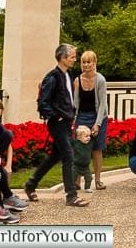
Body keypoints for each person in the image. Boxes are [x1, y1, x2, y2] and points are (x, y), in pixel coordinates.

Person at [24, 43, 89, 207]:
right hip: (58, 124)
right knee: (68, 155)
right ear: (63, 58)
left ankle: (31, 184)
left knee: (55, 156)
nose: (75, 60)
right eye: (72, 57)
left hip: (66, 122)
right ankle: (71, 196)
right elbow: (42, 103)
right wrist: (56, 117)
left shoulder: (67, 75)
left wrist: (70, 116)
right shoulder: (52, 77)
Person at [73, 50, 109, 190]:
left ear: (94, 63)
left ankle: (98, 180)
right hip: (82, 116)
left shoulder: (100, 80)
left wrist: (97, 124)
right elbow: (76, 102)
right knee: (81, 149)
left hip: (98, 116)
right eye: (84, 62)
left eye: (89, 62)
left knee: (97, 149)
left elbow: (102, 104)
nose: (86, 65)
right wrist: (73, 120)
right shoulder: (77, 80)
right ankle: (77, 180)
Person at [72, 125, 94, 193]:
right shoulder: (76, 143)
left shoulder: (89, 144)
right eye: (86, 136)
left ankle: (87, 188)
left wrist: (93, 133)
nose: (88, 138)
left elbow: (94, 138)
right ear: (79, 137)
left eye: (89, 136)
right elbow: (70, 140)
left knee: (89, 177)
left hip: (86, 166)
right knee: (72, 177)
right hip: (76, 165)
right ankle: (70, 188)